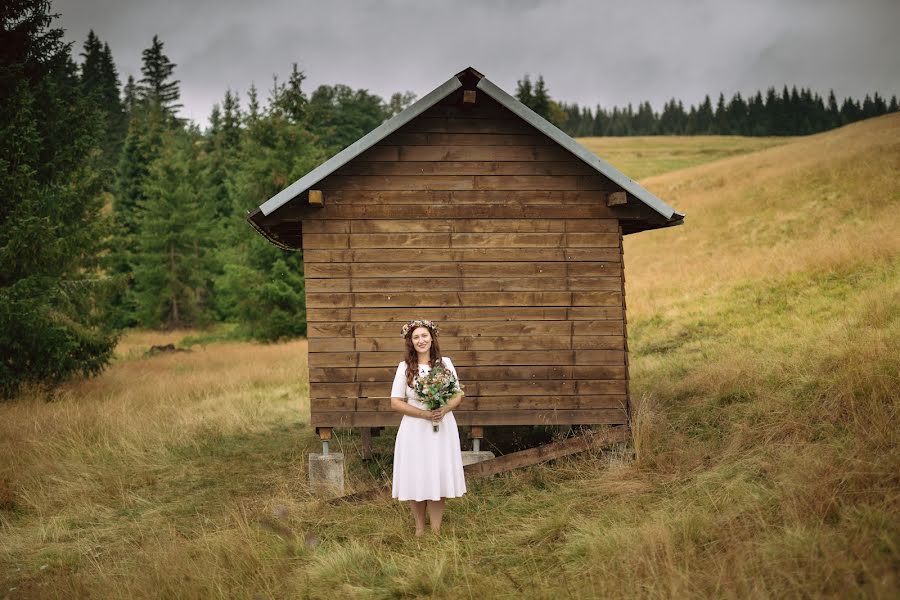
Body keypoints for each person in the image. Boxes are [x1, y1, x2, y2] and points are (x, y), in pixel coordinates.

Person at [390, 319, 466, 536]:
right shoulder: (405, 368)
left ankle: (436, 529)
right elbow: (395, 401)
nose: (421, 340)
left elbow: (457, 394)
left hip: (442, 426)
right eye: (416, 337)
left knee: (436, 472)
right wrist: (425, 414)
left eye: (424, 336)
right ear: (411, 342)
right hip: (414, 428)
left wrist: (443, 410)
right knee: (417, 474)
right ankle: (419, 529)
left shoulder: (445, 364)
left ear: (432, 338)